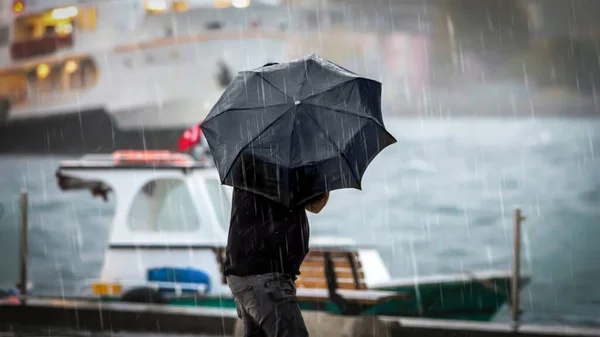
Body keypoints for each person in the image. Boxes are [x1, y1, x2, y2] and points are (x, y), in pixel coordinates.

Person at [223, 187, 330, 337]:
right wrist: (324, 179)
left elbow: (312, 204)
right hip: (265, 276)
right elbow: (316, 204)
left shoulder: (252, 166)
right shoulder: (286, 169)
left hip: (248, 270)